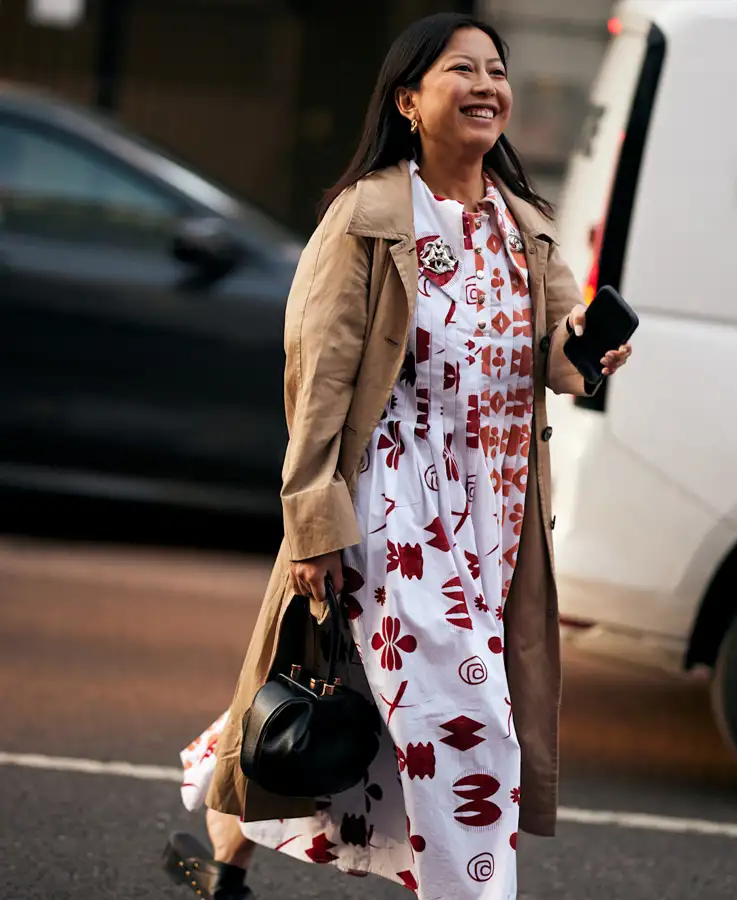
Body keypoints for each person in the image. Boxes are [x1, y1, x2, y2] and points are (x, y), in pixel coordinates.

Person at [162, 12, 631, 900]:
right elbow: (318, 379)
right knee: (471, 726)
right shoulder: (369, 218)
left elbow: (559, 362)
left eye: (498, 68)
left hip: (491, 518)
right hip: (394, 508)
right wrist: (314, 525)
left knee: (367, 712)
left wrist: (588, 348)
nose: (489, 84)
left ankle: (222, 853)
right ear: (410, 100)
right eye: (464, 69)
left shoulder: (524, 226)